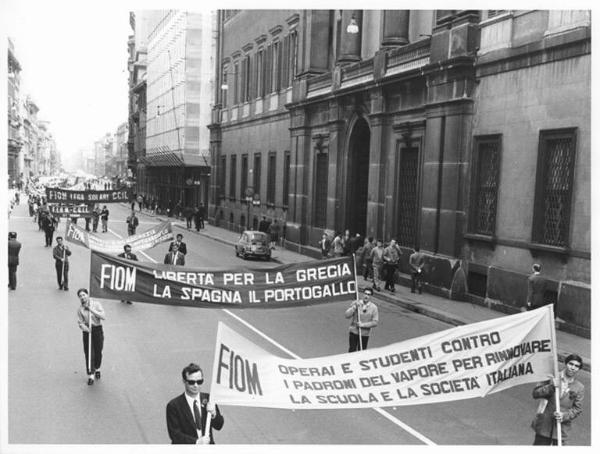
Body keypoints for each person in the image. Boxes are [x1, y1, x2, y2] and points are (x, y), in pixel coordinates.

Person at [531, 354, 584, 445]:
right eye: (571, 364)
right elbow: (535, 393)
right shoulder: (552, 377)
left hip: (561, 429)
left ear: (579, 369)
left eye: (576, 366)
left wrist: (564, 415)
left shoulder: (579, 387)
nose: (573, 368)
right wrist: (550, 387)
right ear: (565, 363)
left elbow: (577, 409)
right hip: (544, 425)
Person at [166, 363, 224, 444]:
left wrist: (214, 414)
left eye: (199, 381)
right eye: (191, 382)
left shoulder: (208, 399)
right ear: (184, 381)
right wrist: (196, 442)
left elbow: (219, 425)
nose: (196, 385)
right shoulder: (174, 405)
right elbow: (174, 434)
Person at [76, 288, 106, 386]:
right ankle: (91, 374)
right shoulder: (80, 309)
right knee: (89, 353)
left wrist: (91, 310)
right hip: (88, 332)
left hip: (97, 329)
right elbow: (80, 323)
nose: (82, 297)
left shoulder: (96, 304)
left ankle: (97, 368)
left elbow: (103, 316)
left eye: (84, 295)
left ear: (87, 295)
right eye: (80, 296)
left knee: (98, 351)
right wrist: (85, 328)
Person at [344, 287, 379, 352]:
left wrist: (363, 325)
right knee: (352, 350)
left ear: (371, 296)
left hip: (364, 334)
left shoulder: (374, 308)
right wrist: (353, 308)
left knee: (362, 352)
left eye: (369, 294)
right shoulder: (356, 303)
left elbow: (375, 322)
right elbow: (347, 315)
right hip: (353, 332)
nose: (366, 296)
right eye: (365, 293)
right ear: (363, 294)